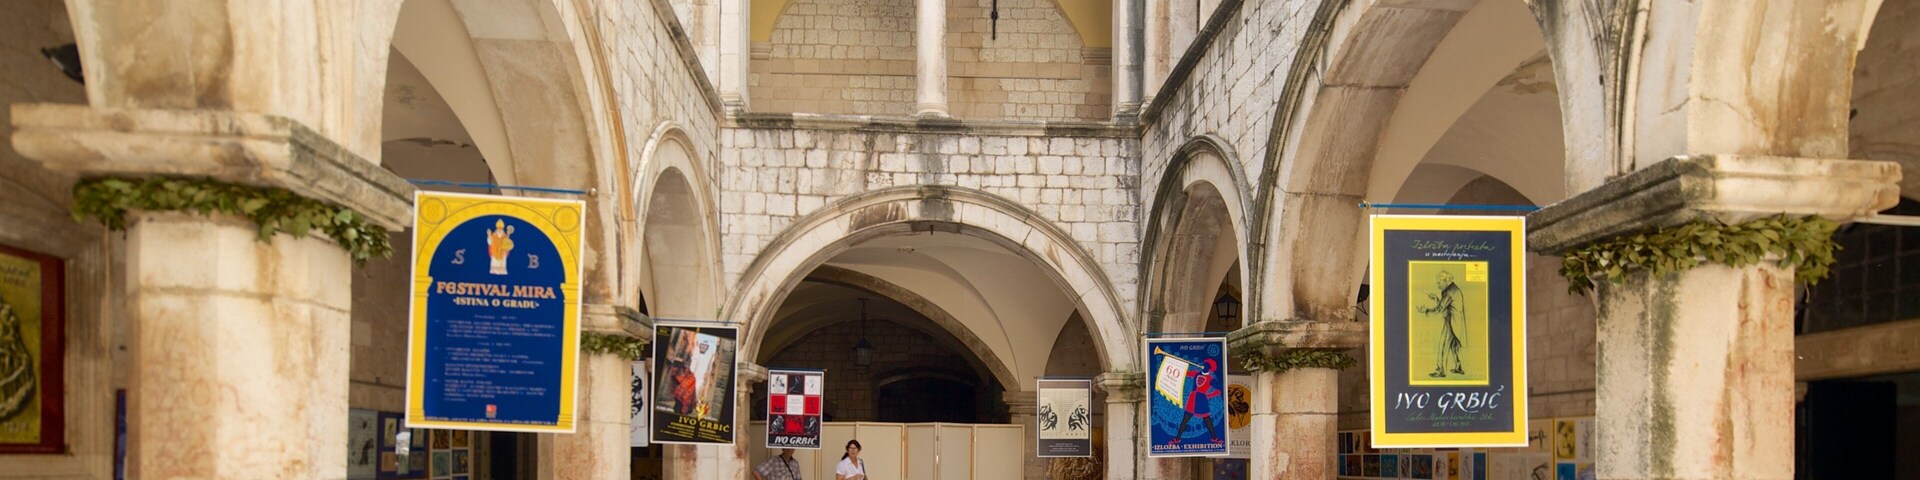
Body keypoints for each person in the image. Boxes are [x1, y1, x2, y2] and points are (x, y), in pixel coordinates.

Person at [1416, 269, 1467, 378]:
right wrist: (1437, 299)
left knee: (1443, 345)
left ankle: (1440, 370)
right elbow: (1446, 305)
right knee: (1454, 345)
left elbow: (1440, 309)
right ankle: (1458, 367)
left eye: (1439, 283)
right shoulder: (1453, 289)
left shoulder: (1449, 292)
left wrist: (1426, 311)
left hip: (1452, 322)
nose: (1438, 286)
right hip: (1456, 321)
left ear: (1445, 281)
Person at [1170, 358, 1222, 445]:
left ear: (1209, 367)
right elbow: (1186, 373)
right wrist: (1182, 366)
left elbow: (1219, 390)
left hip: (1201, 400)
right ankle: (1177, 438)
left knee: (1207, 420)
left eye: (1206, 365)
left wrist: (1208, 395)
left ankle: (1214, 438)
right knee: (1185, 420)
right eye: (1204, 364)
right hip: (1192, 398)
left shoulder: (1210, 379)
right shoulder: (1196, 373)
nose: (1204, 366)